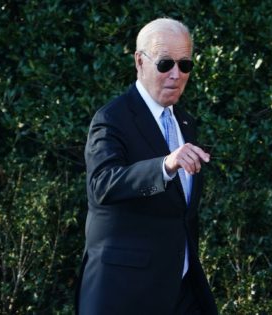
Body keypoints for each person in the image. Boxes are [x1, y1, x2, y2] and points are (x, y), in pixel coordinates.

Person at [76, 17, 218, 315]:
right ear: (140, 61)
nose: (176, 75)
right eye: (165, 64)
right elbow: (102, 184)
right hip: (124, 291)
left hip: (181, 290)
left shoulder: (185, 122)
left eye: (185, 65)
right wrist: (165, 165)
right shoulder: (112, 118)